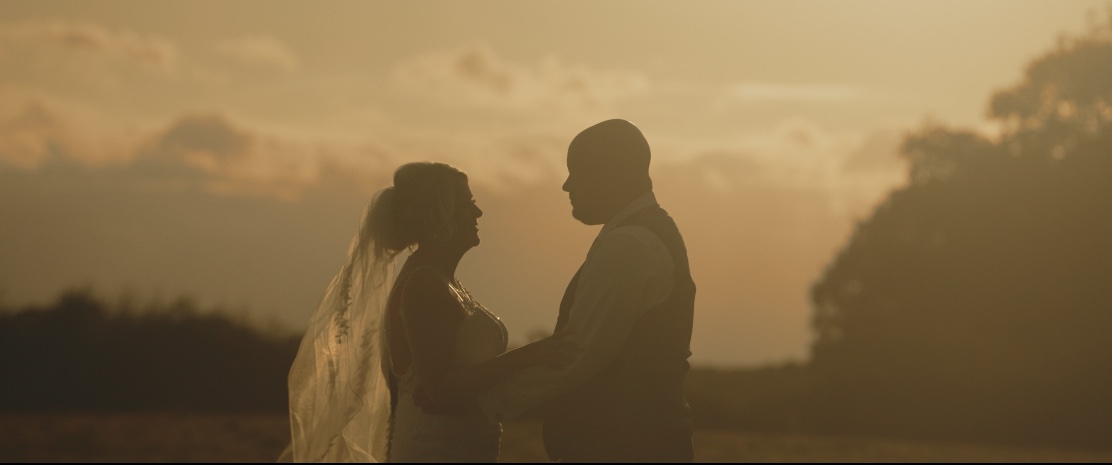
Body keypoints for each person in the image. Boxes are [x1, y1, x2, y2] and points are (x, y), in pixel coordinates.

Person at [280, 162, 576, 462]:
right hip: (435, 449)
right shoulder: (423, 286)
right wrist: (531, 355)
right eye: (466, 204)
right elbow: (440, 391)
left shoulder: (442, 281)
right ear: (439, 215)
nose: (478, 213)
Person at [473, 119, 697, 462]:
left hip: (625, 448)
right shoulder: (643, 233)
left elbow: (580, 354)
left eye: (577, 172)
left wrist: (482, 403)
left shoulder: (629, 244)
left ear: (612, 173)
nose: (566, 186)